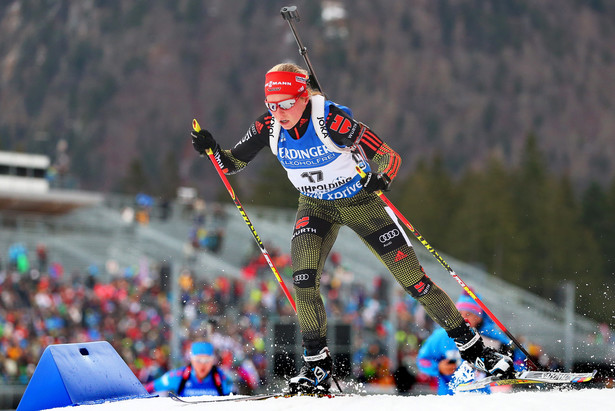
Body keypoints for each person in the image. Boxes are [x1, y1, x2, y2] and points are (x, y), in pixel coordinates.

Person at [191, 62, 514, 394]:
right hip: (314, 207)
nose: (280, 111)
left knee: (414, 281)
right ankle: (316, 366)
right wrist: (211, 148)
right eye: (272, 103)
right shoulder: (268, 125)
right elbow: (231, 164)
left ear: (304, 96)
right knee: (303, 280)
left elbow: (389, 156)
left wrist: (382, 178)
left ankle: (476, 352)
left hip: (361, 203)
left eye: (287, 102)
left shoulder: (332, 120)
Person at [416, 292, 525, 394]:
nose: (463, 318)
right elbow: (422, 360)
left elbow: (516, 358)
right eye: (459, 313)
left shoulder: (491, 336)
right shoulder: (441, 336)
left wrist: (512, 370)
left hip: (485, 399)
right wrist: (438, 367)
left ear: (478, 318)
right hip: (450, 398)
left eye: (468, 314)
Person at [145, 341, 235, 397]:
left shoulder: (221, 378)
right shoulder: (179, 376)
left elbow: (235, 399)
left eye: (207, 360)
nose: (202, 364)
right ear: (192, 359)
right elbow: (149, 388)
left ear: (213, 361)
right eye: (198, 360)